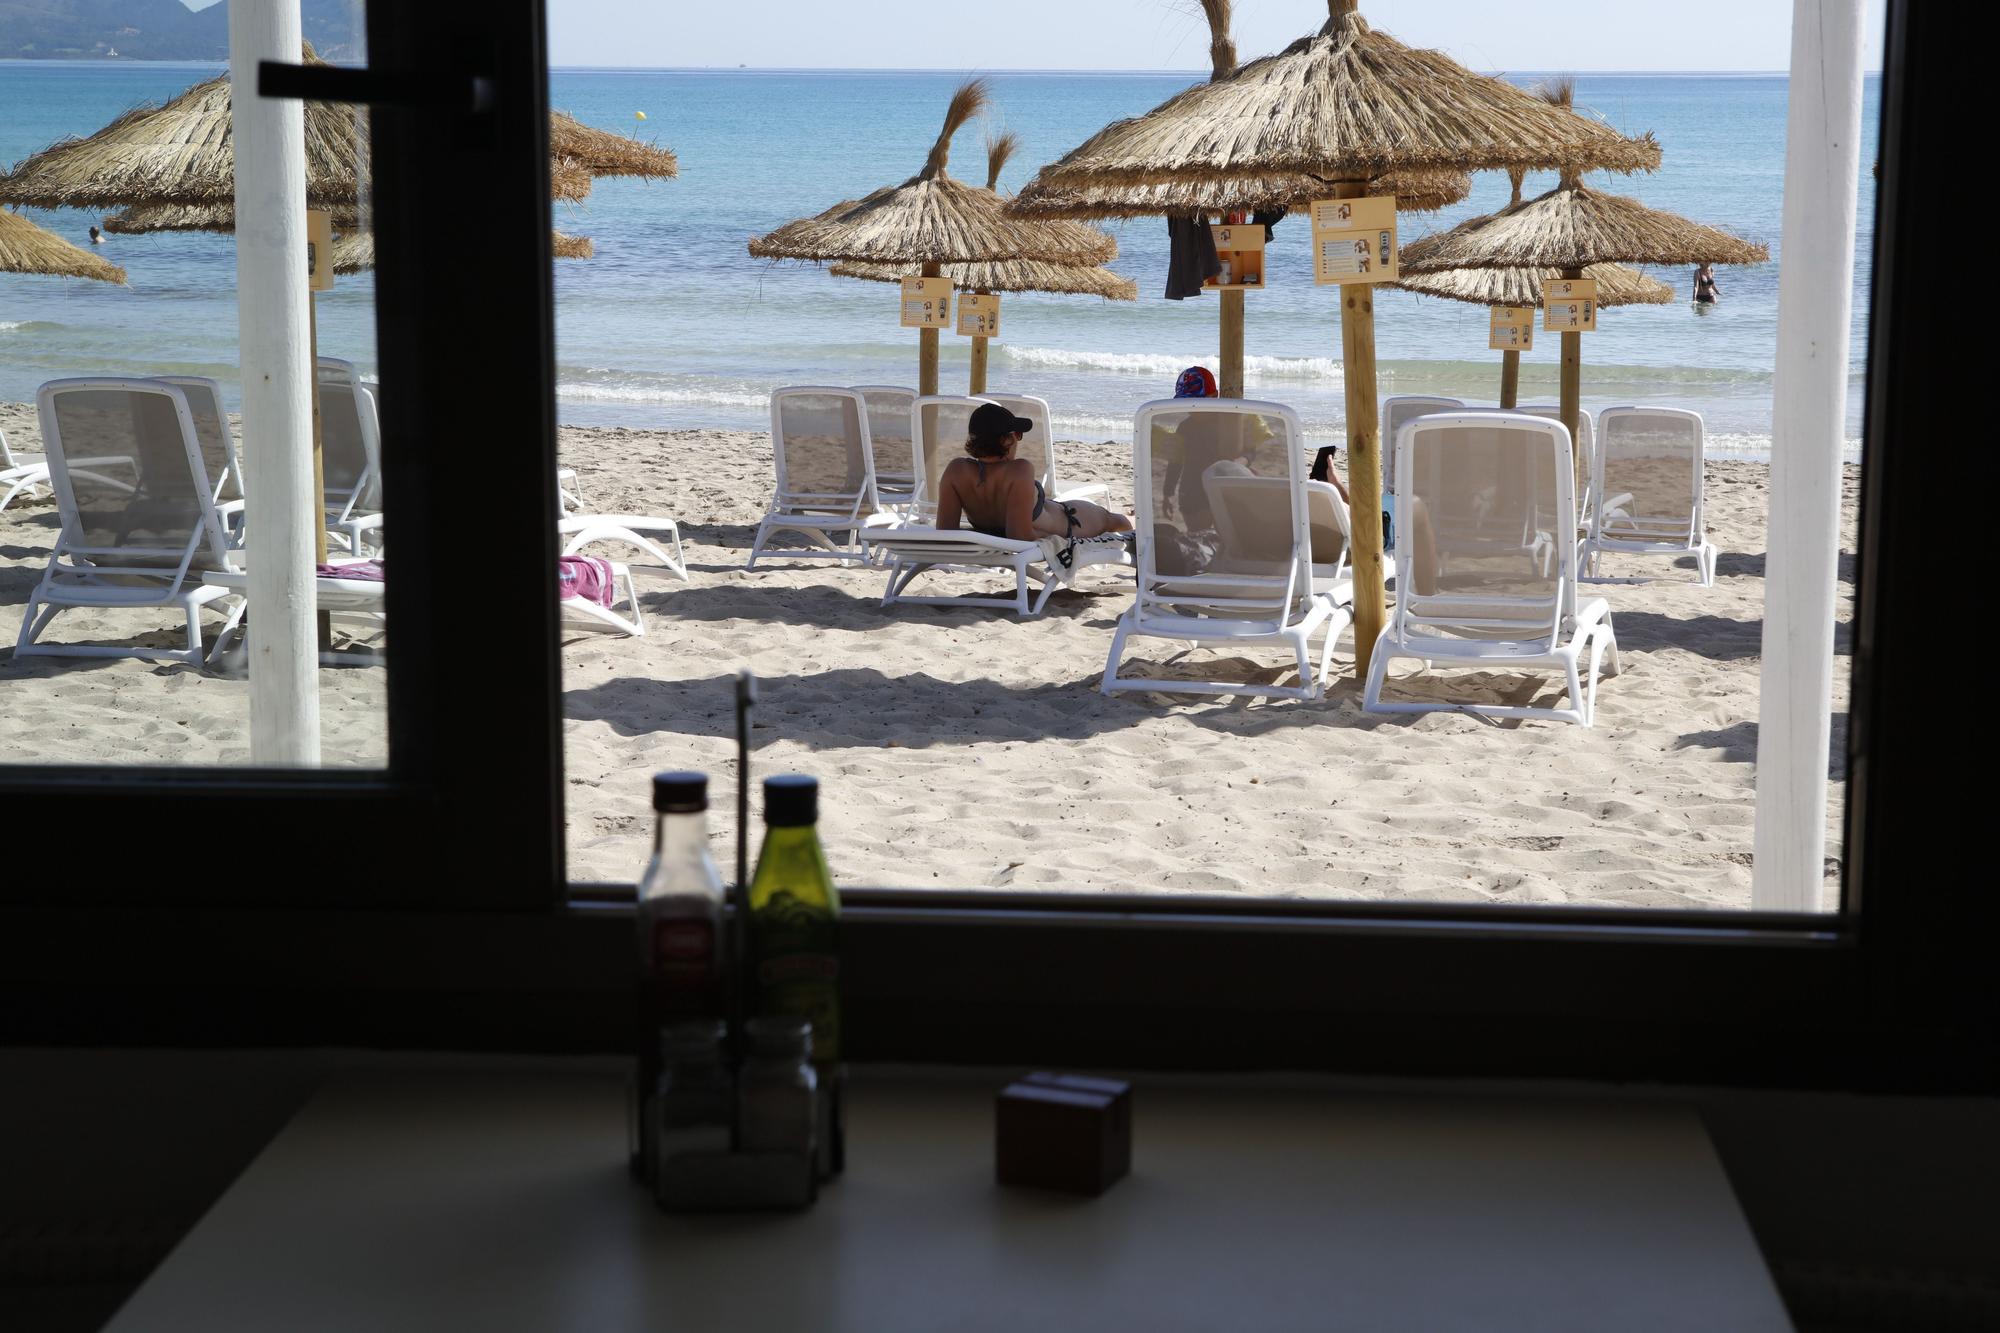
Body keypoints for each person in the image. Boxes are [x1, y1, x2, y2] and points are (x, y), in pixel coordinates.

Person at [936, 402, 1131, 543]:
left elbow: (945, 532)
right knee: (1114, 520)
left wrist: (984, 538)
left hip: (1059, 512)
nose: (1018, 441)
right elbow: (1019, 536)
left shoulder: (956, 470)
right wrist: (1052, 538)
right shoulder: (1019, 470)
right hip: (1069, 524)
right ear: (1006, 440)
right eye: (1017, 435)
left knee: (1117, 520)